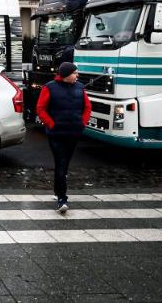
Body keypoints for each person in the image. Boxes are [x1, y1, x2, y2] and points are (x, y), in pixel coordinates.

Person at [36, 62, 91, 213]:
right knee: (60, 163)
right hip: (56, 134)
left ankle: (57, 190)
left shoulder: (80, 87)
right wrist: (51, 124)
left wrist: (82, 123)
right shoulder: (49, 87)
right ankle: (62, 198)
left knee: (65, 163)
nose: (77, 75)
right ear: (66, 75)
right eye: (75, 73)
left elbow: (87, 107)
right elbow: (40, 108)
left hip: (73, 132)